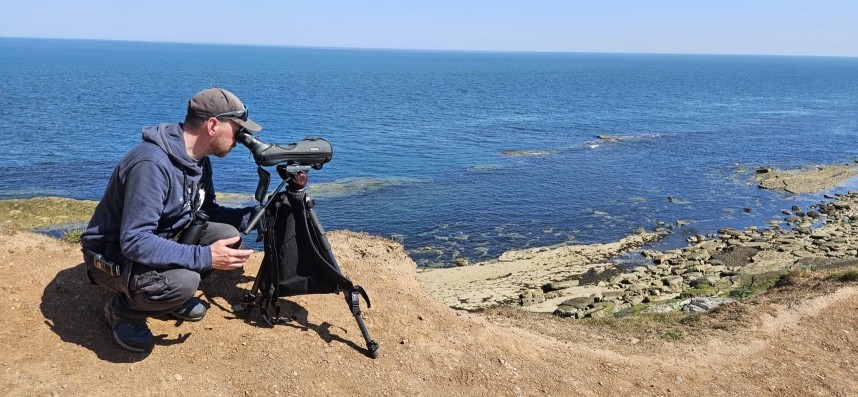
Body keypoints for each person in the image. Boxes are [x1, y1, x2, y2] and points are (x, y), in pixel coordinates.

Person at [81, 87, 261, 352]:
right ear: (213, 125)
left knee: (228, 236)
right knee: (185, 282)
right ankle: (124, 311)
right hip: (112, 255)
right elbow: (134, 241)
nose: (240, 139)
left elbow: (206, 210)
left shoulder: (198, 160)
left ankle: (166, 298)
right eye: (237, 129)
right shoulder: (151, 165)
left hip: (158, 238)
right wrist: (205, 257)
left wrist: (251, 216)